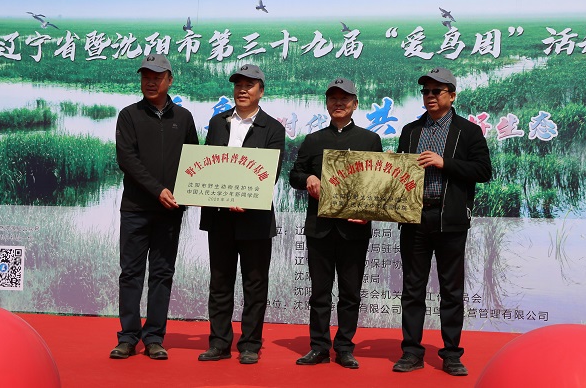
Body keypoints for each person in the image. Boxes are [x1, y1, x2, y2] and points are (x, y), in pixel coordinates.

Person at [393, 67, 492, 375]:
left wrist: (444, 162)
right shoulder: (411, 131)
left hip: (449, 219)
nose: (430, 96)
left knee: (451, 290)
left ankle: (451, 354)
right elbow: (398, 171)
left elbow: (483, 171)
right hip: (414, 218)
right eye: (426, 91)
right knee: (413, 288)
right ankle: (411, 351)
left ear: (452, 95)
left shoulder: (468, 131)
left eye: (437, 91)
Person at [110, 54, 199, 360]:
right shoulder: (129, 115)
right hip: (135, 209)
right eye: (145, 76)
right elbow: (127, 160)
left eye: (157, 77)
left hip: (169, 211)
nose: (150, 82)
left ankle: (154, 338)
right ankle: (128, 337)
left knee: (162, 274)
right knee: (131, 273)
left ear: (169, 80)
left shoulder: (184, 118)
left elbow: (194, 161)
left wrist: (186, 194)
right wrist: (157, 189)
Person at [290, 78, 383, 369]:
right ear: (327, 103)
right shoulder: (313, 140)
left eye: (345, 98)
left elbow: (380, 183)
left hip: (354, 229)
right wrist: (308, 178)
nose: (338, 103)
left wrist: (369, 212)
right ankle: (318, 346)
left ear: (355, 104)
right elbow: (294, 175)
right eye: (333, 98)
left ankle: (344, 347)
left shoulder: (370, 140)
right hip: (320, 228)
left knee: (350, 293)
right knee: (320, 292)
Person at [197, 64, 285, 365]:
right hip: (220, 215)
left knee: (255, 284)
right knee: (220, 282)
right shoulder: (218, 122)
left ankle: (250, 344)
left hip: (255, 217)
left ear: (261, 90)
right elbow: (208, 163)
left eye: (249, 85)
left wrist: (245, 197)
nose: (242, 90)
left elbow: (270, 172)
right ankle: (219, 342)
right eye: (238, 85)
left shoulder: (273, 128)